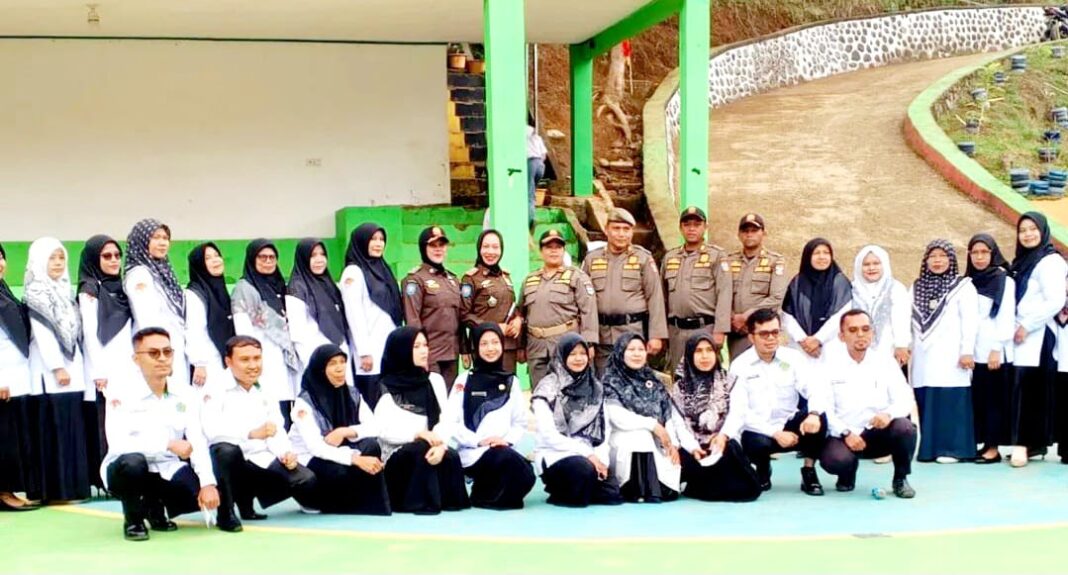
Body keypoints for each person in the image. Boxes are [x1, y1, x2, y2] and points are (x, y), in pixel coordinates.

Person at [101, 327, 222, 540]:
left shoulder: (185, 393)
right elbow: (119, 443)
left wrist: (207, 483)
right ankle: (134, 520)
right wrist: (166, 444)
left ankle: (153, 507)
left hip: (165, 467)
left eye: (167, 352)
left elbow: (197, 439)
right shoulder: (120, 392)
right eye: (153, 353)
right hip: (125, 469)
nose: (162, 358)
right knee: (133, 463)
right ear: (136, 359)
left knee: (198, 494)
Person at [200, 336, 318, 527]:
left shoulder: (266, 385)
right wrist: (250, 433)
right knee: (224, 450)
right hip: (230, 459)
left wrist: (285, 453)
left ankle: (247, 501)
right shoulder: (214, 387)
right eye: (245, 359)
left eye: (257, 358)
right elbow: (211, 430)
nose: (253, 365)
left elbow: (275, 427)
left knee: (305, 479)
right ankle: (226, 512)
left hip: (261, 455)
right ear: (228, 361)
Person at [721, 308, 828, 496]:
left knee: (819, 416)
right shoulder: (740, 365)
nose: (771, 338)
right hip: (759, 428)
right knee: (755, 444)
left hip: (790, 423)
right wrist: (776, 433)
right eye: (764, 334)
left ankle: (809, 471)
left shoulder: (793, 358)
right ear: (751, 337)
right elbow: (740, 411)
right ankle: (763, 470)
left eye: (775, 332)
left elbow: (814, 388)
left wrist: (813, 414)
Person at [818, 310, 918, 498]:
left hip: (877, 432)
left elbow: (905, 397)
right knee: (835, 460)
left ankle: (901, 478)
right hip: (844, 435)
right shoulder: (829, 365)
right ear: (841, 336)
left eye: (865, 329)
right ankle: (847, 473)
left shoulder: (885, 362)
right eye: (853, 330)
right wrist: (846, 433)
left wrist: (888, 414)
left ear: (872, 333)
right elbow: (824, 407)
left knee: (905, 428)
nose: (860, 334)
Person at [374, 327, 470, 514]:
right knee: (419, 450)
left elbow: (446, 420)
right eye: (416, 346)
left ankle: (442, 500)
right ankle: (417, 502)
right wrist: (417, 435)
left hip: (431, 445)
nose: (424, 351)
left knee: (449, 456)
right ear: (402, 350)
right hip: (397, 453)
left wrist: (440, 444)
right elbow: (381, 430)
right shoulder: (385, 386)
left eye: (425, 345)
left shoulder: (434, 380)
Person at [25, 237, 91, 503]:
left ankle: (72, 488)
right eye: (51, 258)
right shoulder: (36, 292)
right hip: (50, 374)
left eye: (61, 257)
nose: (57, 263)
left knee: (70, 430)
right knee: (54, 431)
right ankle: (54, 491)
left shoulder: (64, 290)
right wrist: (57, 367)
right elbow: (43, 334)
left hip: (72, 371)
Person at [289, 344, 390, 515]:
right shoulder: (304, 403)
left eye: (342, 362)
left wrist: (344, 431)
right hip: (311, 460)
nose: (339, 368)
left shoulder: (351, 394)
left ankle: (361, 501)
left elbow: (375, 427)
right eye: (332, 364)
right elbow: (316, 447)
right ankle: (319, 502)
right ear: (321, 369)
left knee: (371, 445)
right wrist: (355, 459)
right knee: (339, 470)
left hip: (341, 451)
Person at [443, 323, 534, 510]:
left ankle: (483, 494)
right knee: (512, 467)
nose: (490, 348)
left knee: (527, 473)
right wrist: (478, 441)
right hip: (472, 453)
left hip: (503, 449)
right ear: (476, 347)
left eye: (495, 342)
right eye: (484, 343)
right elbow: (451, 421)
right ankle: (485, 495)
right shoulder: (464, 380)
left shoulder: (512, 381)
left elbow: (520, 422)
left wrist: (505, 441)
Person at [531, 333, 623, 507]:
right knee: (583, 472)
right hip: (556, 453)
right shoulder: (547, 388)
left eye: (582, 353)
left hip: (590, 455)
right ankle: (559, 491)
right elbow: (549, 435)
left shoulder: (595, 387)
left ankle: (582, 486)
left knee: (612, 493)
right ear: (562, 356)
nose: (578, 359)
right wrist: (588, 455)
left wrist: (601, 460)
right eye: (572, 354)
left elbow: (604, 430)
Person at [669, 333, 761, 502]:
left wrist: (722, 436)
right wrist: (693, 448)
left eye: (709, 350)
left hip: (722, 443)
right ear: (689, 355)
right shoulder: (679, 389)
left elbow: (737, 414)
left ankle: (701, 484)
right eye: (698, 351)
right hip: (693, 447)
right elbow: (679, 425)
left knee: (744, 487)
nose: (705, 356)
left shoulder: (731, 381)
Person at [910, 240, 978, 463]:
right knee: (928, 401)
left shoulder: (963, 286)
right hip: (924, 357)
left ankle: (953, 450)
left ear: (951, 260)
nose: (937, 261)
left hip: (952, 356)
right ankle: (930, 449)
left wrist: (967, 351)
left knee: (951, 402)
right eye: (933, 256)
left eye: (942, 256)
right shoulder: (916, 286)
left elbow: (970, 321)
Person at [77, 235, 136, 490]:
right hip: (105, 369)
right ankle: (107, 480)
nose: (114, 260)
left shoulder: (121, 288)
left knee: (127, 422)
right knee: (106, 425)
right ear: (94, 259)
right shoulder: (89, 289)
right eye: (106, 256)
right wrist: (99, 372)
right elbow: (90, 333)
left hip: (128, 366)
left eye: (117, 255)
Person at [1010, 212, 1068, 466]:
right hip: (1020, 334)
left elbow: (1055, 300)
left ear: (1043, 231)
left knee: (1030, 390)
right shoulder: (1023, 261)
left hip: (1039, 334)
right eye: (1023, 230)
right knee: (1023, 388)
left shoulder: (1050, 261)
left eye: (1033, 229)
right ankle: (1032, 444)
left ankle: (1025, 444)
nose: (1028, 234)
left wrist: (1027, 324)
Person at [582, 208, 668, 374]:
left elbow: (655, 298)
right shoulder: (592, 259)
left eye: (626, 229)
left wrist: (656, 335)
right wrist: (588, 338)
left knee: (633, 382)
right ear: (606, 230)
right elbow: (583, 300)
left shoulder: (643, 258)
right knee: (603, 381)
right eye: (616, 228)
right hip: (602, 337)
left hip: (633, 335)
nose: (621, 234)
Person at [602, 332, 683, 503]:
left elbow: (668, 414)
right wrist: (652, 425)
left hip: (658, 441)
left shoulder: (654, 381)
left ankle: (652, 487)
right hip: (622, 438)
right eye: (631, 349)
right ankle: (640, 489)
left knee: (670, 473)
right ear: (621, 352)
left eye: (641, 349)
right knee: (640, 436)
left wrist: (672, 444)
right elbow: (617, 416)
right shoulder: (610, 381)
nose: (637, 354)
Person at [517, 229, 598, 389]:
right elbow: (521, 315)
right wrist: (521, 346)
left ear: (563, 250)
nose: (554, 251)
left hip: (567, 346)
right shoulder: (530, 280)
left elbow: (588, 310)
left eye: (558, 247)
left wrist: (588, 344)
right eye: (549, 247)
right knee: (540, 394)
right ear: (541, 251)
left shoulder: (577, 277)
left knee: (569, 393)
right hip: (536, 348)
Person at [231, 239, 300, 422]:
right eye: (262, 257)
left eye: (272, 257)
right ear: (252, 259)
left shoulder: (281, 285)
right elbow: (242, 329)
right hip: (262, 355)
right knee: (270, 408)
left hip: (284, 355)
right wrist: (250, 357)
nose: (268, 262)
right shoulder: (244, 288)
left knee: (287, 406)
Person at [660, 206, 733, 373]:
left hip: (705, 329)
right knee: (679, 377)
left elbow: (724, 294)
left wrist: (720, 330)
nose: (691, 229)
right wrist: (662, 332)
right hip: (676, 332)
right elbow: (662, 298)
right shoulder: (670, 258)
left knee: (705, 376)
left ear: (705, 227)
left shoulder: (717, 256)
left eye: (696, 224)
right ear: (680, 228)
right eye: (687, 224)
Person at [965, 234, 1016, 464]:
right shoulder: (967, 281)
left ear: (993, 253)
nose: (979, 257)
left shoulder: (1004, 280)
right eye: (974, 252)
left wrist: (996, 348)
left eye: (984, 252)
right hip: (974, 352)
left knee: (994, 401)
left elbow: (1006, 316)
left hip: (994, 352)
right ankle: (984, 444)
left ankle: (993, 448)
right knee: (980, 400)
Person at [341, 224, 402, 409]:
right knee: (371, 402)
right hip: (369, 353)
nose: (378, 243)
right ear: (361, 242)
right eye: (373, 239)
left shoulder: (383, 269)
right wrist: (364, 352)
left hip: (387, 349)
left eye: (381, 239)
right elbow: (354, 314)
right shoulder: (354, 272)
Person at [124, 219, 189, 388]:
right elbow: (146, 317)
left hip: (172, 346)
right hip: (157, 352)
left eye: (165, 238)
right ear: (142, 241)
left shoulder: (162, 272)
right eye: (156, 237)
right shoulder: (139, 274)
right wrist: (160, 355)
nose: (162, 243)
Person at [0, 242, 39, 511]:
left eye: (1, 257)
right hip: (3, 379)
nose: (0, 263)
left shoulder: (4, 291)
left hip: (16, 377)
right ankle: (4, 492)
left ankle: (9, 489)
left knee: (11, 437)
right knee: (4, 439)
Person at [402, 227, 463, 389]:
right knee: (432, 398)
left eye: (442, 245)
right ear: (423, 248)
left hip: (451, 354)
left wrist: (464, 349)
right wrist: (419, 352)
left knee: (449, 400)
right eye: (433, 245)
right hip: (430, 355)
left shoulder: (452, 280)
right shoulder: (415, 279)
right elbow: (412, 320)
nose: (438, 249)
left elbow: (459, 317)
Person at [726, 214, 788, 359]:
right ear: (739, 235)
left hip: (764, 330)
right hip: (737, 331)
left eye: (754, 230)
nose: (749, 234)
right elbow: (722, 294)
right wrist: (733, 318)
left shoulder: (775, 261)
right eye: (745, 231)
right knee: (739, 369)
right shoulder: (729, 261)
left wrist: (747, 317)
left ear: (764, 233)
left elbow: (777, 297)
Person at [782, 238, 852, 365]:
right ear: (808, 256)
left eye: (826, 253)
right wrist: (803, 340)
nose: (822, 257)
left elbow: (842, 315)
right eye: (816, 253)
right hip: (801, 348)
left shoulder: (840, 282)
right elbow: (787, 315)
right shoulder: (797, 283)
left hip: (831, 347)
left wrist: (818, 339)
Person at [287, 239, 349, 378]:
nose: (319, 259)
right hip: (315, 355)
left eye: (322, 254)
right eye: (313, 255)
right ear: (304, 258)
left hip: (339, 353)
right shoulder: (297, 287)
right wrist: (310, 364)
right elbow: (297, 333)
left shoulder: (328, 283)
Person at [461, 230, 521, 373]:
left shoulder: (505, 277)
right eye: (486, 246)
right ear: (479, 249)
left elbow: (512, 306)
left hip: (507, 346)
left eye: (495, 247)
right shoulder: (470, 279)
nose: (490, 252)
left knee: (508, 384)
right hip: (484, 346)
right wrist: (494, 328)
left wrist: (518, 320)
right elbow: (464, 315)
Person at [185, 242, 236, 396]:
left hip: (224, 360)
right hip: (208, 364)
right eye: (208, 258)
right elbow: (194, 329)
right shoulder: (195, 293)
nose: (215, 260)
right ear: (199, 265)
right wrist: (199, 363)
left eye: (217, 255)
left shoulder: (219, 289)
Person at [850, 245, 911, 368]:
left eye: (876, 263)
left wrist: (901, 344)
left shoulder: (895, 288)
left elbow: (902, 318)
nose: (871, 268)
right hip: (856, 351)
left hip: (888, 350)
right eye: (866, 264)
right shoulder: (851, 289)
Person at [527, 124, 548, 232]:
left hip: (530, 163)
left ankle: (529, 222)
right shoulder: (537, 137)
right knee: (532, 192)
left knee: (528, 195)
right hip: (540, 164)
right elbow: (544, 155)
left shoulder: (520, 136)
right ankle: (532, 213)